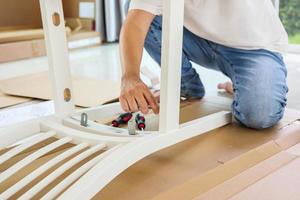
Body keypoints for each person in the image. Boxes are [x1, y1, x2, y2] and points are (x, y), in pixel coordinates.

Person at [119, 0, 289, 129]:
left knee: (259, 114)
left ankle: (243, 84)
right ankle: (185, 86)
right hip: (200, 41)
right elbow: (135, 23)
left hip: (254, 48)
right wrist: (130, 76)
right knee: (145, 15)